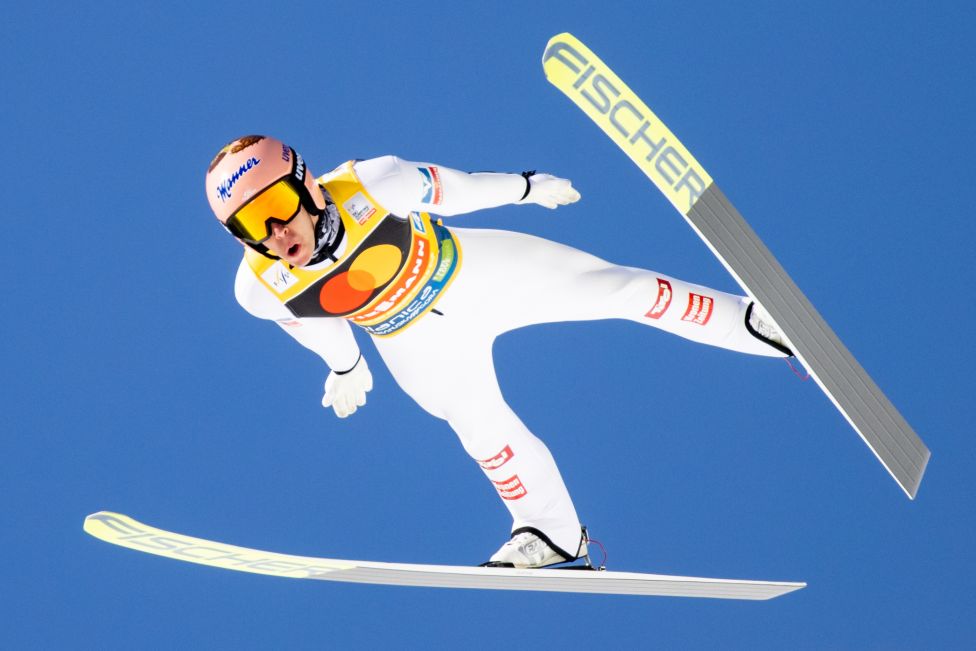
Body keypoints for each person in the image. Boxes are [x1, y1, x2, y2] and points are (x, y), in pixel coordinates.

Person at [205, 135, 792, 569]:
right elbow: (308, 319)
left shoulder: (374, 183)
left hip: (479, 273)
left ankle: (753, 325)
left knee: (624, 290)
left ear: (307, 183)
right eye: (249, 226)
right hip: (414, 342)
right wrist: (346, 364)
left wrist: (527, 187)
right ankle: (550, 533)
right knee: (482, 430)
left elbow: (458, 189)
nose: (273, 232)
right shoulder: (258, 287)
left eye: (274, 207)